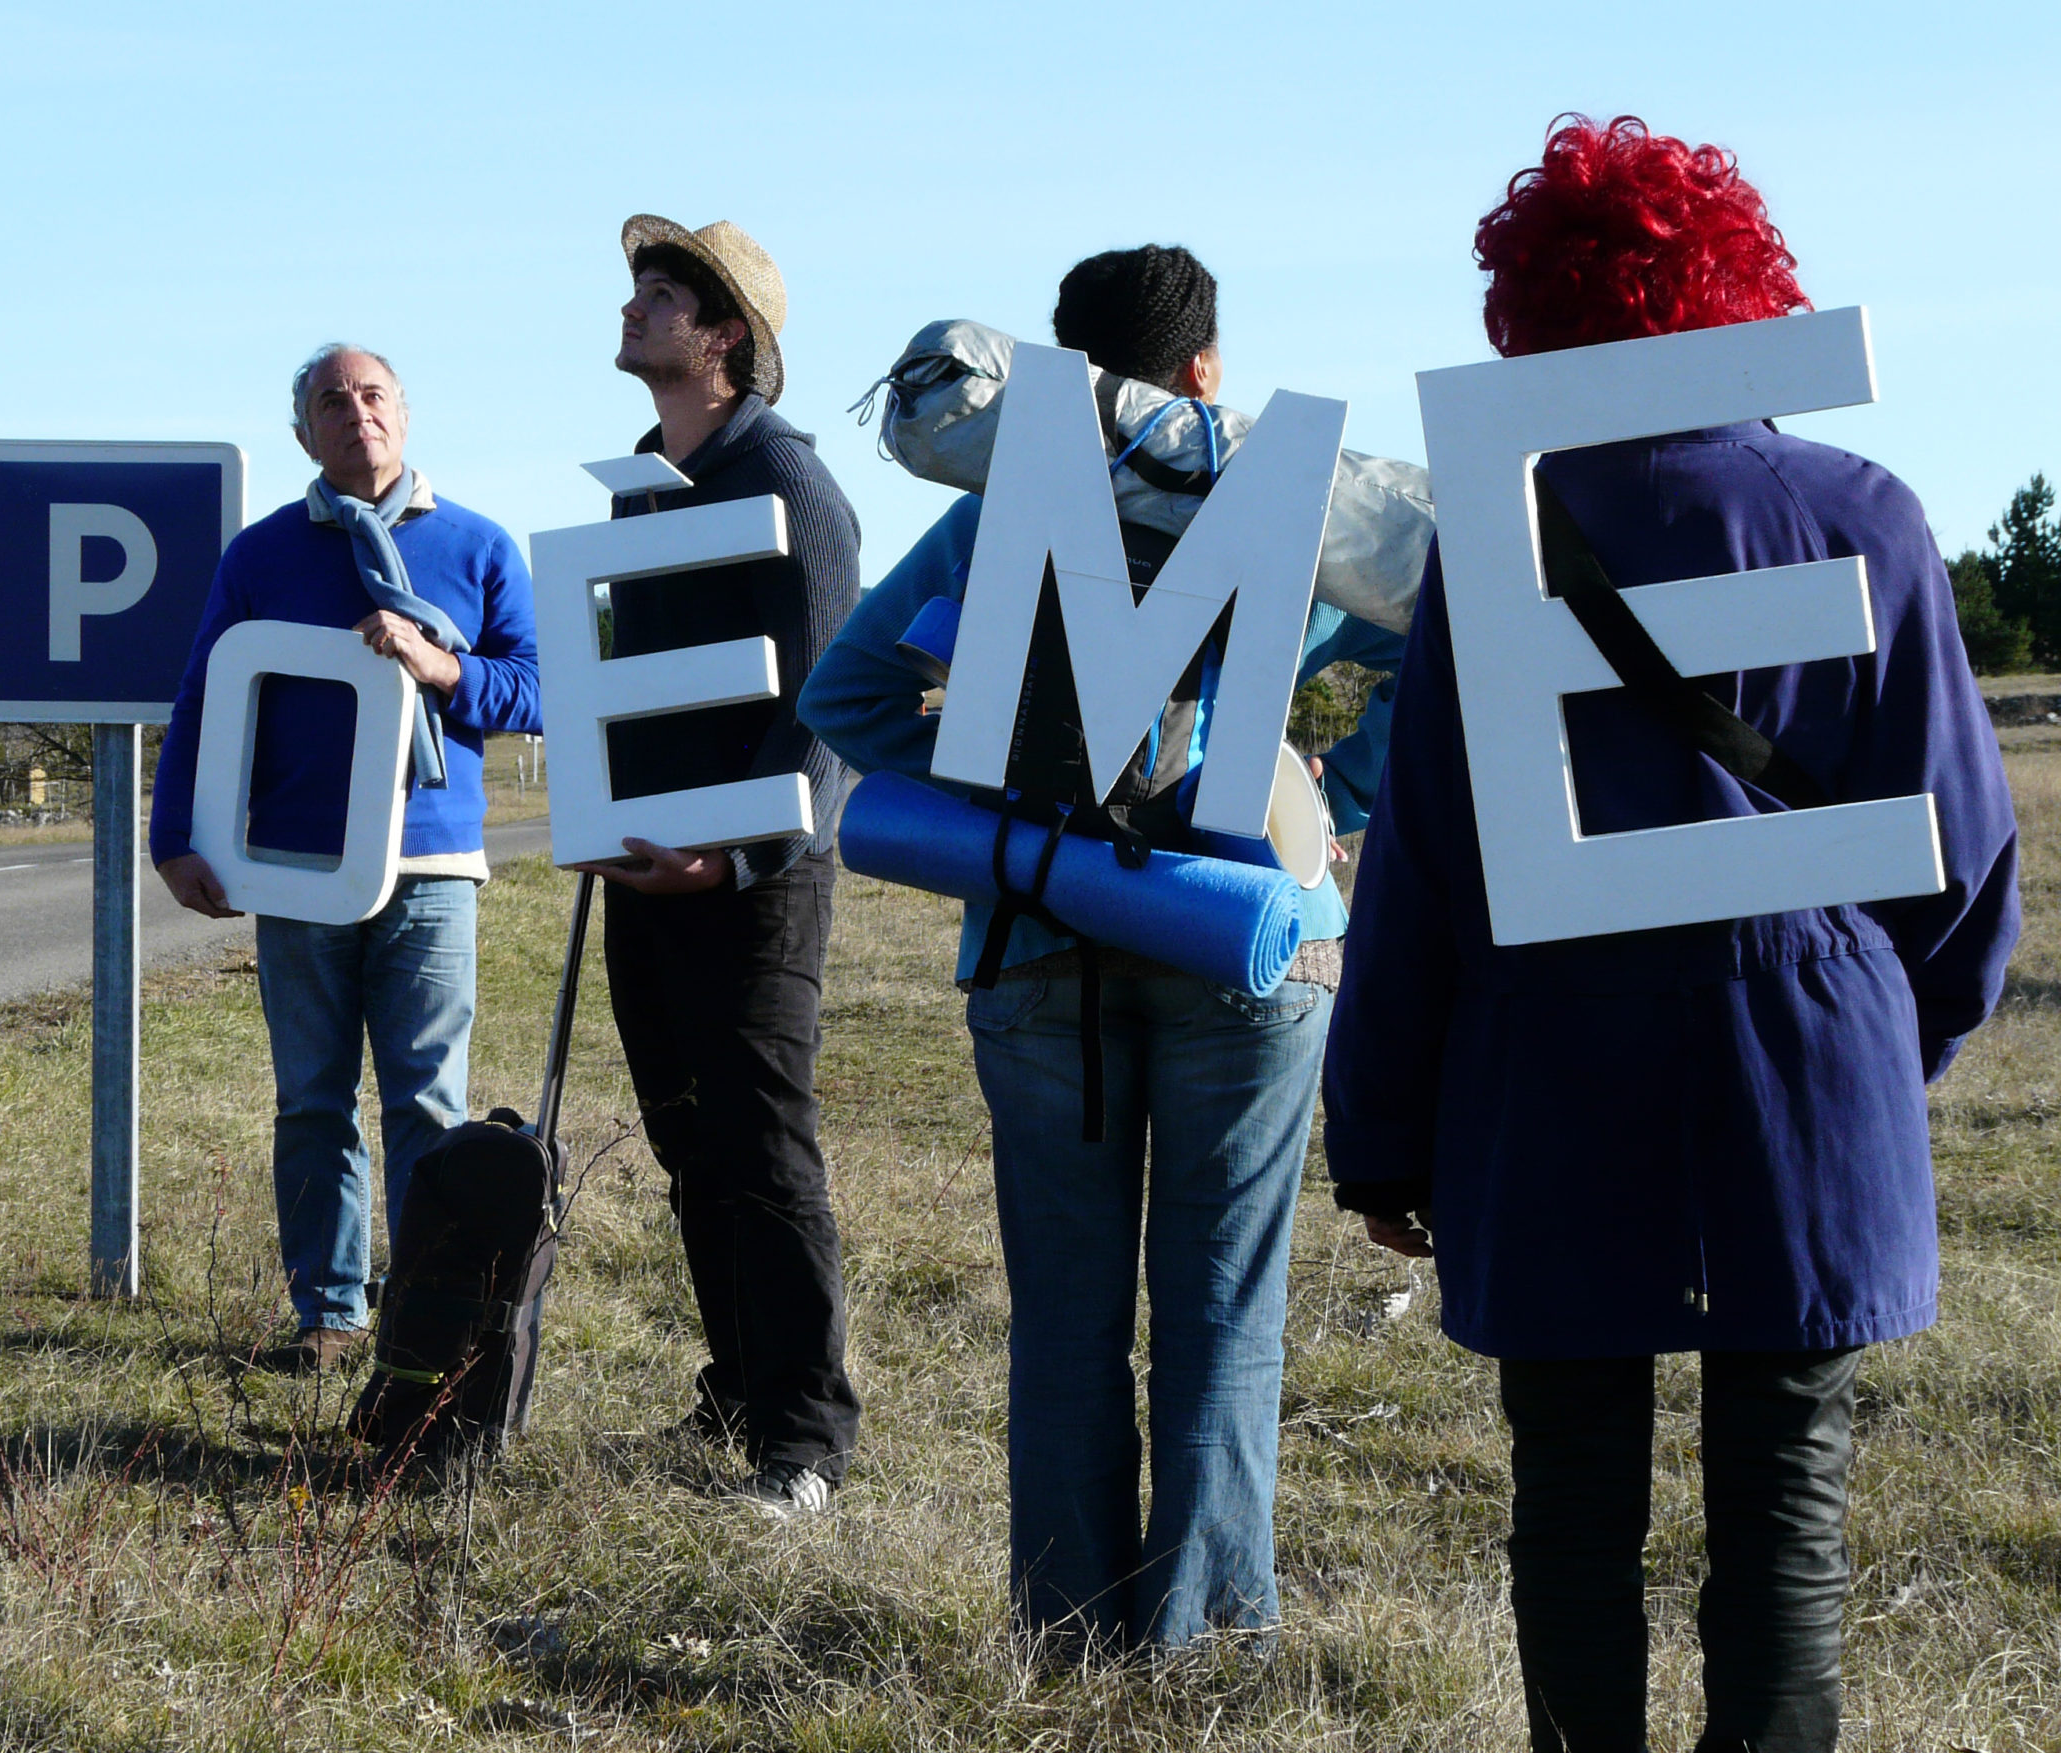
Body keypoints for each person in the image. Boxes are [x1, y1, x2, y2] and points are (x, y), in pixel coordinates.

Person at [1324, 116, 2021, 1753]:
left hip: (1547, 1062)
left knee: (1569, 1505)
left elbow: (1421, 867)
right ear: (1739, 282)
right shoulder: (1860, 501)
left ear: (1538, 309)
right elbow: (1965, 839)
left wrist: (1383, 1135)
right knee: (1784, 1517)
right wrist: (1884, 1042)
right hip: (1803, 1051)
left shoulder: (1493, 543)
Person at [800, 243, 1405, 1647]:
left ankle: (1067, 1633)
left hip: (1035, 937)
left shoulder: (998, 515)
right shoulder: (1285, 514)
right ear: (1204, 375)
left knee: (1067, 1315)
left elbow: (846, 692)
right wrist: (1343, 791)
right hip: (1246, 939)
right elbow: (1447, 654)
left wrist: (1004, 799)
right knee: (1223, 1311)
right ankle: (1200, 1636)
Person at [152, 343, 541, 1373]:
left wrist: (440, 663)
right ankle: (328, 1315)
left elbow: (539, 691)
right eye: (332, 400)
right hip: (296, 865)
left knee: (425, 1100)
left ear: (404, 416)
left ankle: (422, 1312)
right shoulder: (262, 553)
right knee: (312, 1096)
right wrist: (174, 836)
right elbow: (203, 694)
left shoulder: (481, 543)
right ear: (303, 433)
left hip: (432, 864)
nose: (354, 411)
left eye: (372, 395)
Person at [573, 214, 863, 1516]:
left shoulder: (793, 489)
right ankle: (739, 1388)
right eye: (637, 287)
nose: (635, 307)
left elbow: (829, 708)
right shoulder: (647, 487)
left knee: (762, 1145)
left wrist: (739, 853)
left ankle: (805, 1439)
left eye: (664, 293)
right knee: (690, 1142)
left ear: (725, 335)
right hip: (647, 870)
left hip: (753, 884)